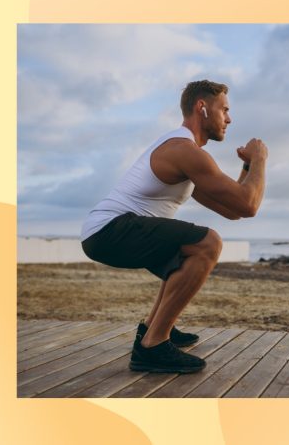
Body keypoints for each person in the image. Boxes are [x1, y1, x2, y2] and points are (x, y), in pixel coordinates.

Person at [80, 80, 268, 373]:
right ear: (202, 108)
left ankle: (153, 328)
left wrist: (245, 169)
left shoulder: (185, 155)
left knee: (186, 252)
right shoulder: (183, 150)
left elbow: (234, 211)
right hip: (109, 230)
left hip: (103, 232)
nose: (229, 119)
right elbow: (249, 205)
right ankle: (153, 346)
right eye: (225, 110)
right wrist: (259, 160)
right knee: (208, 243)